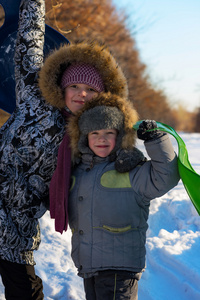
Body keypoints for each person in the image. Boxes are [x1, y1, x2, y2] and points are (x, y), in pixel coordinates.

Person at [0, 0, 144, 298]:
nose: (81, 93)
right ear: (62, 88)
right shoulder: (32, 96)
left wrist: (131, 157)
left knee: (23, 292)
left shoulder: (92, 134)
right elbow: (29, 40)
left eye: (91, 89)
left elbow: (104, 170)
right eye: (75, 86)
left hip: (15, 229)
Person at [67, 92, 180, 300]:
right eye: (94, 133)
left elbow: (167, 176)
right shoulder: (78, 172)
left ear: (120, 136)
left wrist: (156, 141)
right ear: (84, 138)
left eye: (109, 132)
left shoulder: (131, 170)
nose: (102, 138)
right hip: (89, 266)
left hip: (121, 269)